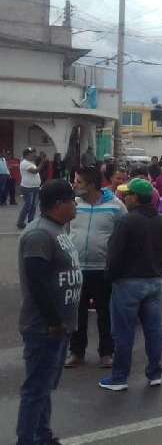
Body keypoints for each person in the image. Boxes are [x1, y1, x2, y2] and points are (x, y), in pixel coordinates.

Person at [16, 180, 82, 445]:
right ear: (59, 204)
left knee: (44, 388)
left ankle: (42, 435)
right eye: (72, 200)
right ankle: (28, 439)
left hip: (59, 326)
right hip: (44, 328)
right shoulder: (39, 235)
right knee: (36, 389)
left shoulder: (57, 229)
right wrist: (53, 321)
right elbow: (37, 281)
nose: (75, 204)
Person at [99, 178, 162, 391]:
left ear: (135, 198)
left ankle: (120, 377)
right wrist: (159, 271)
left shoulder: (126, 221)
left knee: (123, 333)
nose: (123, 197)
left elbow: (114, 255)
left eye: (126, 194)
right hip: (154, 281)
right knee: (153, 330)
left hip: (128, 282)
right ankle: (154, 373)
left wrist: (110, 277)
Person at [64, 166, 127, 369]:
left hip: (103, 269)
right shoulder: (74, 204)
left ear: (91, 184)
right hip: (77, 269)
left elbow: (124, 236)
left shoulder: (116, 206)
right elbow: (65, 231)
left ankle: (106, 353)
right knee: (77, 313)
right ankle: (76, 352)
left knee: (104, 313)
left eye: (79, 181)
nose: (75, 185)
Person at [17, 147, 42, 229]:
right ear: (27, 155)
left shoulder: (31, 162)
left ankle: (30, 222)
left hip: (34, 187)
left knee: (33, 206)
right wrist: (43, 163)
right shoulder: (24, 163)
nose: (34, 154)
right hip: (28, 188)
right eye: (32, 153)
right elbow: (35, 171)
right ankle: (20, 223)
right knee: (28, 206)